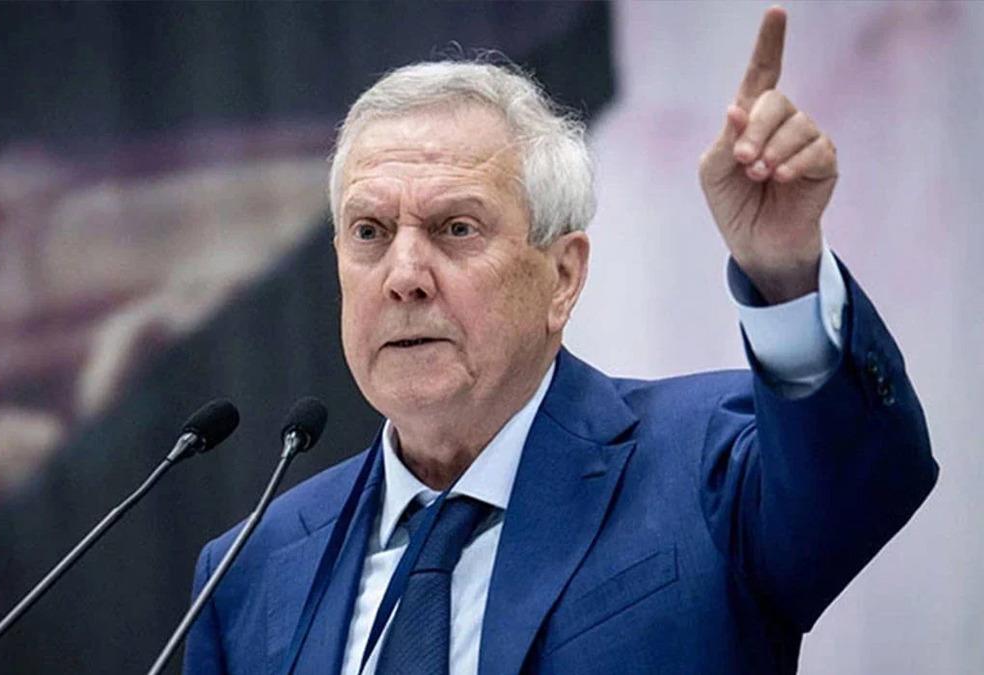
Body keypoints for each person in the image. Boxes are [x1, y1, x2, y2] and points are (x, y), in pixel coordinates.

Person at [184, 8, 937, 674]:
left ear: (563, 276)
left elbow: (862, 486)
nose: (403, 276)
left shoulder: (707, 464)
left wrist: (785, 273)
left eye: (456, 228)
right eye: (370, 233)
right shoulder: (248, 571)